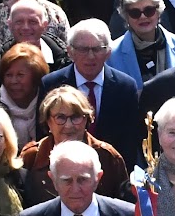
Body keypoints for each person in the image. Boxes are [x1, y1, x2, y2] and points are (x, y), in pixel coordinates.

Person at [38, 19, 141, 165]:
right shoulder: (51, 84)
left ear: (108, 53)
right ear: (70, 52)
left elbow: (130, 139)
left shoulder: (125, 86)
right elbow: (43, 131)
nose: (91, 56)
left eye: (97, 49)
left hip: (110, 170)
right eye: (83, 49)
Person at [18, 85, 130, 206]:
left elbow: (122, 208)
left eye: (75, 117)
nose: (69, 125)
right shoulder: (32, 156)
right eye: (60, 117)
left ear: (87, 119)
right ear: (48, 121)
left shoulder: (107, 156)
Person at [106, 0, 175, 87]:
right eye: (135, 13)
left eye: (149, 11)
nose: (143, 17)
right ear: (126, 17)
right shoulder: (111, 55)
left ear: (158, 12)